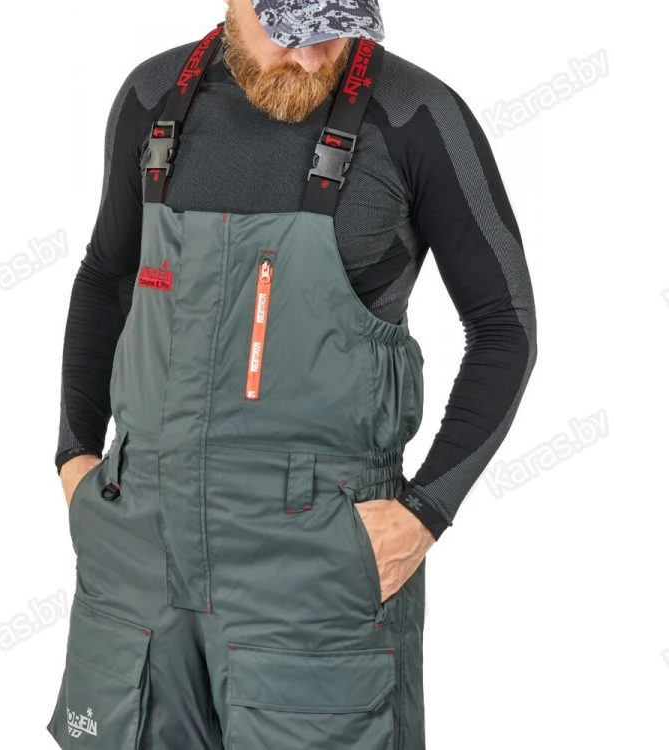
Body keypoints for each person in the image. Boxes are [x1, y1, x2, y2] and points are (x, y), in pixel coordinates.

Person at [48, 1, 537, 748]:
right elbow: (105, 278)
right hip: (136, 555)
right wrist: (75, 456)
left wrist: (425, 514)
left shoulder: (415, 117)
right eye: (291, 32)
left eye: (334, 30)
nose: (313, 56)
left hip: (316, 570)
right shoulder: (152, 98)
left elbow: (505, 325)